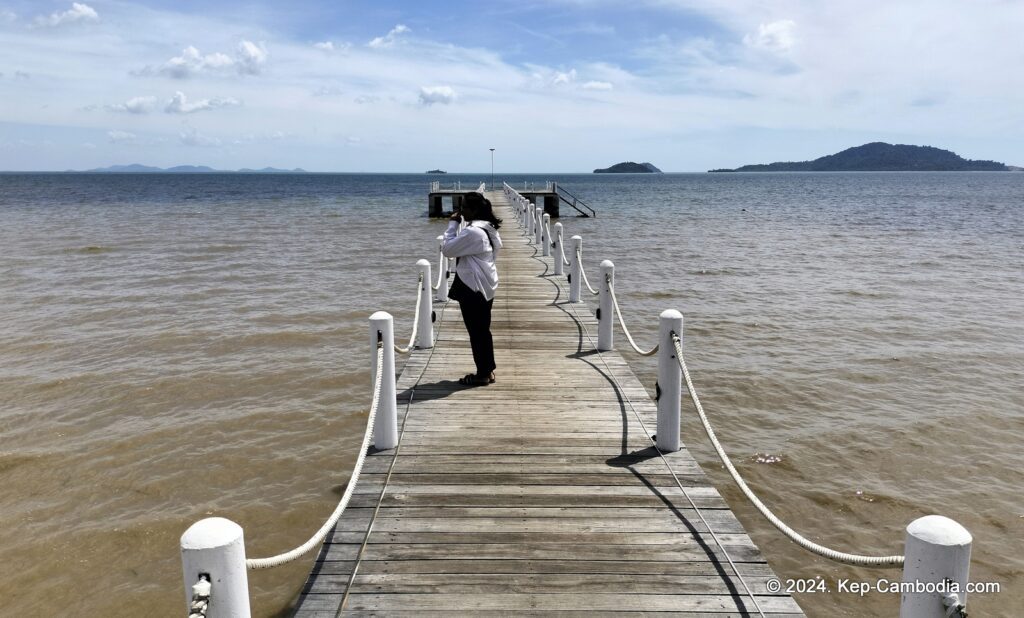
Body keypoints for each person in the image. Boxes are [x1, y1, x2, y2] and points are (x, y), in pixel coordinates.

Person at [441, 192, 503, 386]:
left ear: (474, 210)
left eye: (464, 207)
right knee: (482, 331)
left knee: (477, 332)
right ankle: (487, 370)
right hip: (485, 285)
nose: (461, 211)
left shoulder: (473, 232)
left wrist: (452, 225)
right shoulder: (488, 228)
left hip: (474, 287)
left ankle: (482, 374)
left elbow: (447, 250)